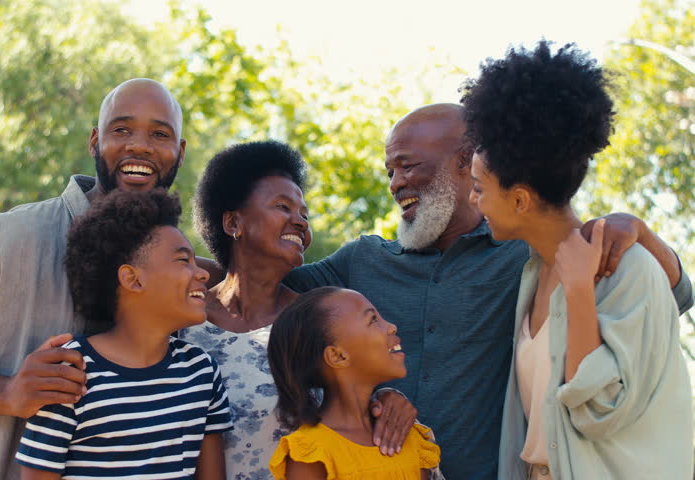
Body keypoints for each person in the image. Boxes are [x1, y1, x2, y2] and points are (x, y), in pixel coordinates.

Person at [282, 103, 694, 479]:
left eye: (407, 166)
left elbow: (673, 297)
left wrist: (640, 231)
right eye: (390, 171)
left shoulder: (526, 255)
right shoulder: (362, 260)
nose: (396, 183)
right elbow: (257, 284)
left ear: (465, 162)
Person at [0, 78, 188, 480]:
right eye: (121, 130)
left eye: (160, 133)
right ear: (93, 142)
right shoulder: (12, 237)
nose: (139, 145)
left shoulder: (188, 275)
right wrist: (7, 393)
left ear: (180, 152)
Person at [462, 40, 693, 479]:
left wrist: (581, 290)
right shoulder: (530, 275)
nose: (474, 202)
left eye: (478, 187)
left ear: (520, 199)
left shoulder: (629, 271)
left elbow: (600, 411)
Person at [183, 141, 416, 479]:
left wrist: (385, 399)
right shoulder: (182, 319)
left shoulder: (316, 325)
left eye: (304, 214)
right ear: (233, 223)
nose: (300, 222)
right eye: (283, 207)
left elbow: (353, 390)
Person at [16, 189, 231, 479]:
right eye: (183, 261)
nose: (203, 274)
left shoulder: (201, 371)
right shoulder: (70, 371)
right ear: (132, 279)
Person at [267, 287, 441, 479]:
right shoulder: (311, 454)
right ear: (338, 356)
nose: (392, 326)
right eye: (373, 320)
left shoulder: (406, 434)